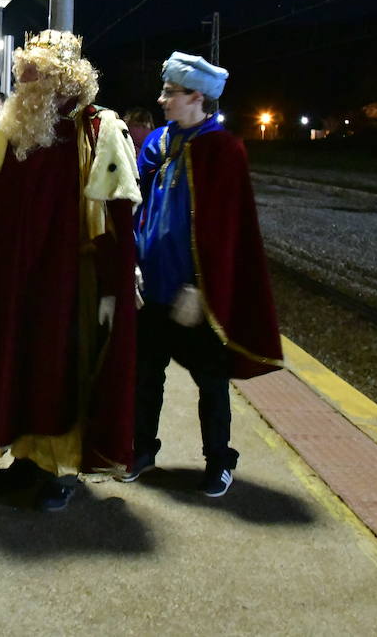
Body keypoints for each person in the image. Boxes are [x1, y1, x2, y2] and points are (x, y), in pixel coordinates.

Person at [0, 28, 141, 510]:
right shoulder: (14, 126)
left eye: (35, 78)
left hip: (71, 279)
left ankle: (59, 468)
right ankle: (26, 459)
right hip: (15, 276)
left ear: (63, 79)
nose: (25, 88)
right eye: (23, 78)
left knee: (59, 367)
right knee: (18, 363)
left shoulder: (98, 129)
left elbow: (117, 216)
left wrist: (117, 284)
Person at [126, 52, 284, 497]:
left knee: (211, 382)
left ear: (197, 96)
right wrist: (132, 264)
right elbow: (137, 206)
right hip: (152, 287)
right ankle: (142, 449)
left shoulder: (223, 150)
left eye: (170, 93)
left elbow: (229, 231)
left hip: (197, 295)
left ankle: (218, 460)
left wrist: (200, 284)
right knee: (144, 376)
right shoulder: (158, 143)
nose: (162, 100)